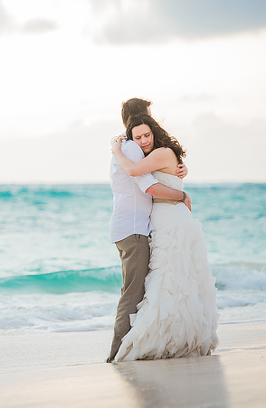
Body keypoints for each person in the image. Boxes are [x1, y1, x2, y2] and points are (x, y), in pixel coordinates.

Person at [109, 113, 219, 361]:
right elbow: (163, 174)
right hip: (159, 220)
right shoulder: (153, 155)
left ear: (154, 131)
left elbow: (137, 173)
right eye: (138, 137)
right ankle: (173, 335)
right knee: (170, 278)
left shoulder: (158, 153)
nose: (143, 140)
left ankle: (171, 337)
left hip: (169, 217)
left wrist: (116, 150)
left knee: (173, 277)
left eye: (146, 135)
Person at [106, 98, 191, 363]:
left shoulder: (132, 147)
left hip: (133, 227)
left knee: (138, 291)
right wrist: (180, 195)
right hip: (132, 229)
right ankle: (117, 355)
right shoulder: (129, 149)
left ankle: (135, 347)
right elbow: (149, 187)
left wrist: (178, 170)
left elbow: (155, 176)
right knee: (132, 293)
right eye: (149, 116)